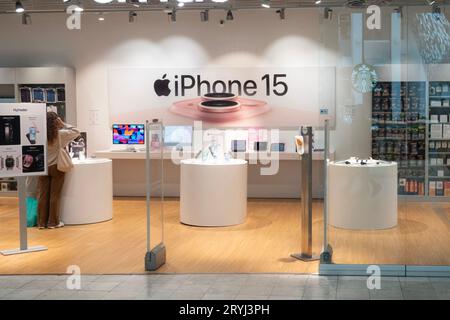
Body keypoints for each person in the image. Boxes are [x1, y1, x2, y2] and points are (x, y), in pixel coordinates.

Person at [38, 112, 80, 229]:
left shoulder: (38, 134)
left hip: (42, 167)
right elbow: (76, 131)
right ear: (56, 121)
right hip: (57, 167)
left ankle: (41, 223)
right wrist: (63, 123)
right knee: (54, 195)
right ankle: (52, 222)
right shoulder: (60, 134)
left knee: (42, 195)